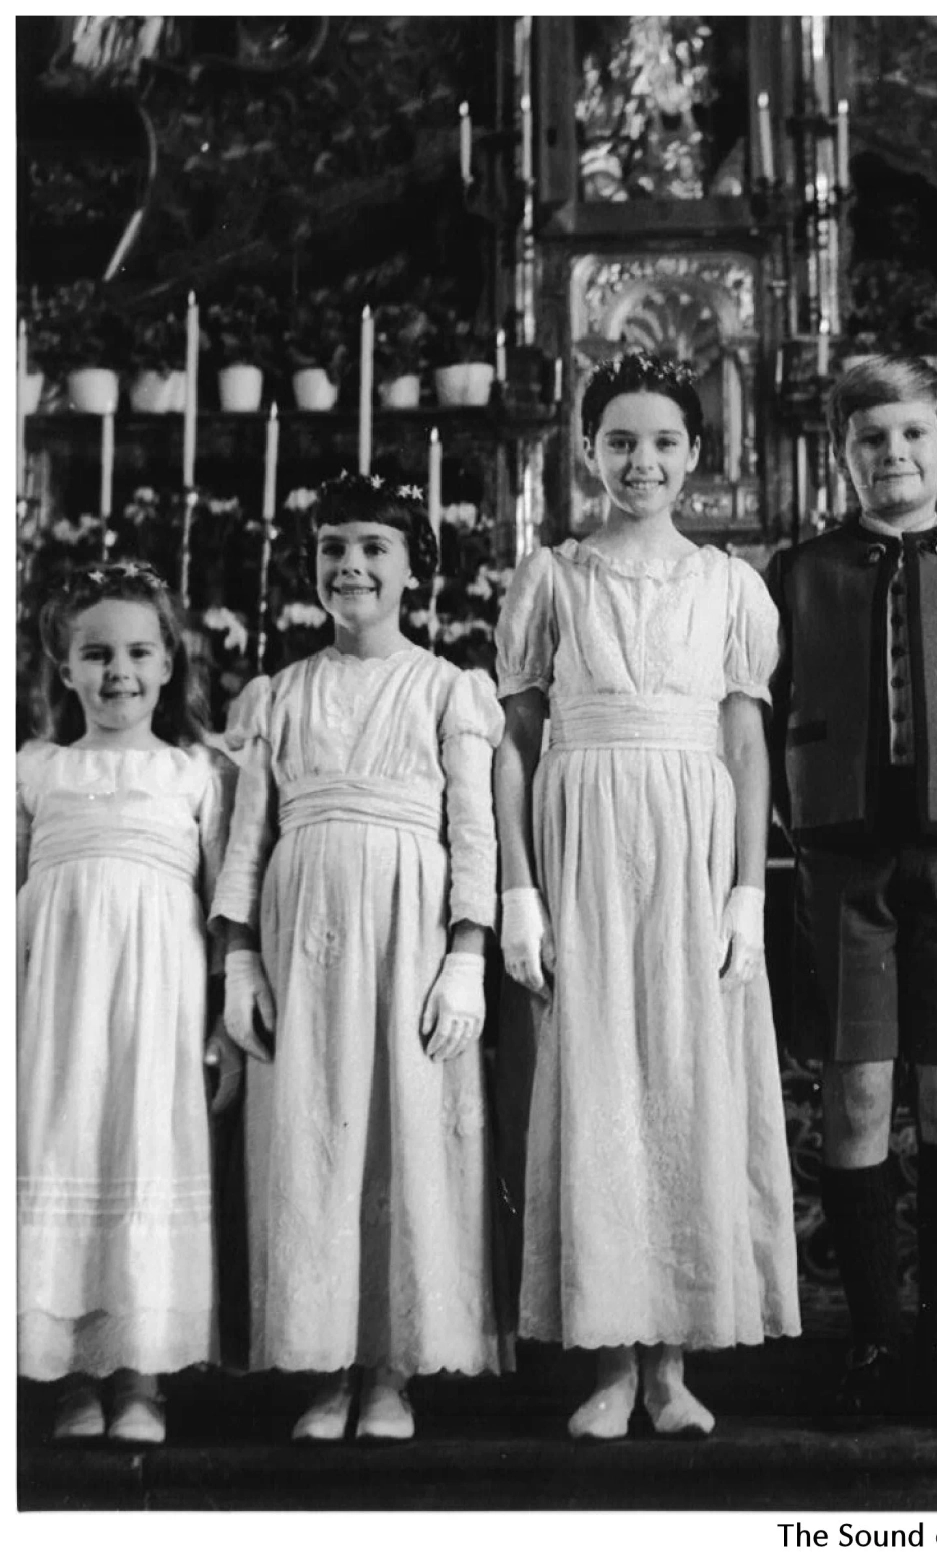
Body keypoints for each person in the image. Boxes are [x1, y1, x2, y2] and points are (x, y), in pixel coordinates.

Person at [495, 352, 799, 1440]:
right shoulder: (553, 578)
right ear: (586, 451)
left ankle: (672, 1365)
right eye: (620, 441)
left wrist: (745, 893)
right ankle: (611, 1362)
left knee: (684, 1082)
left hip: (691, 842)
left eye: (665, 442)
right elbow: (516, 743)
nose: (642, 462)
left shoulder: (730, 587)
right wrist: (518, 886)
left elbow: (747, 743)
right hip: (581, 843)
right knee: (599, 1085)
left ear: (697, 456)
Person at [764, 353, 937, 1428]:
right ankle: (873, 1339)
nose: (894, 456)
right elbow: (771, 700)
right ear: (843, 454)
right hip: (841, 854)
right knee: (860, 1089)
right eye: (871, 440)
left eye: (914, 436)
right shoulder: (800, 571)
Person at [214, 473, 502, 1441]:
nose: (352, 566)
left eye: (375, 547)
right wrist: (240, 960)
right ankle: (324, 1366)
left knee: (403, 1135)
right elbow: (244, 840)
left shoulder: (445, 689)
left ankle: (390, 1371)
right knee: (311, 1138)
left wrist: (466, 954)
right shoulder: (279, 694)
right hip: (303, 944)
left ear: (415, 568)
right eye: (335, 547)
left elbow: (474, 830)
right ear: (313, 566)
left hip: (409, 935)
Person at [18, 562, 237, 1444]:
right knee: (64, 1145)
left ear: (170, 664)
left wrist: (224, 1023)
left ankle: (141, 1378)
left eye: (140, 652)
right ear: (63, 668)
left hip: (161, 1005)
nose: (119, 673)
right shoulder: (35, 772)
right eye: (96, 654)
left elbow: (226, 913)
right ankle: (70, 1378)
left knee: (145, 1150)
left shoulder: (195, 775)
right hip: (55, 1010)